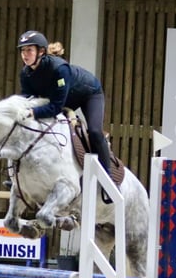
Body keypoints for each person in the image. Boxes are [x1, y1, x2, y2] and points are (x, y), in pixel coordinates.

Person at [16, 29, 113, 177]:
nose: (24, 54)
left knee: (94, 131)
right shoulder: (25, 73)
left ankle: (108, 175)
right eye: (23, 50)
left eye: (29, 50)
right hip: (63, 97)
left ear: (41, 52)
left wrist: (32, 113)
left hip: (89, 94)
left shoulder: (59, 69)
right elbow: (28, 101)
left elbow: (55, 107)